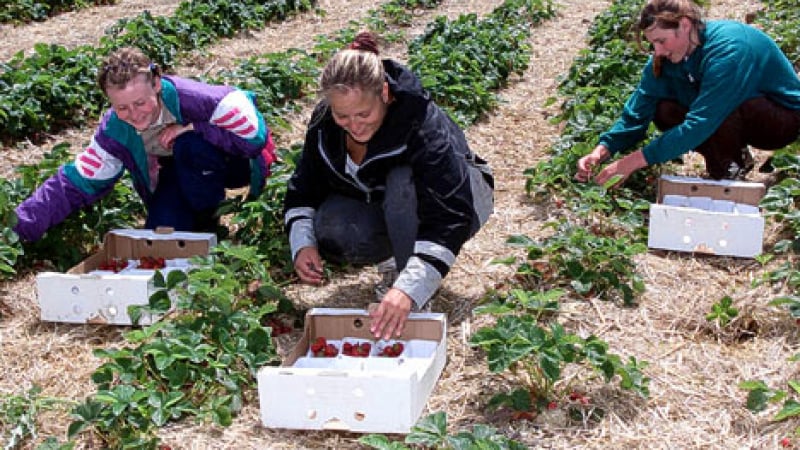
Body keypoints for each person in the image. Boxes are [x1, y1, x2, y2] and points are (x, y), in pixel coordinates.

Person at [283, 32, 494, 340]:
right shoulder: (324, 126)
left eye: (363, 114)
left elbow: (449, 216)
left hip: (462, 199)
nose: (354, 125)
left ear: (384, 92)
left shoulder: (420, 124)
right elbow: (303, 188)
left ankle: (411, 284)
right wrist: (302, 244)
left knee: (401, 182)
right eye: (342, 116)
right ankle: (395, 263)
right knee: (331, 225)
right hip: (387, 204)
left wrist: (410, 290)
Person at [14, 47, 275, 242]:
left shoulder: (203, 100)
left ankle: (208, 214)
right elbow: (75, 182)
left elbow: (253, 140)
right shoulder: (115, 130)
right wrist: (16, 225)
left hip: (231, 163)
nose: (135, 114)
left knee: (188, 145)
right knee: (160, 236)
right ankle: (197, 222)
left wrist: (194, 127)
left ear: (157, 83)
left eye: (140, 102)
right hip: (176, 172)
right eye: (122, 107)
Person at [576, 0, 800, 186]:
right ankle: (731, 160)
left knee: (716, 109)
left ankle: (729, 173)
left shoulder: (728, 49)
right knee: (665, 109)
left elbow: (702, 121)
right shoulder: (667, 57)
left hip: (780, 120)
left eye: (662, 41)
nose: (658, 51)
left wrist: (632, 162)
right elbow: (637, 111)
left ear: (684, 25)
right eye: (653, 43)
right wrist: (602, 151)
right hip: (728, 113)